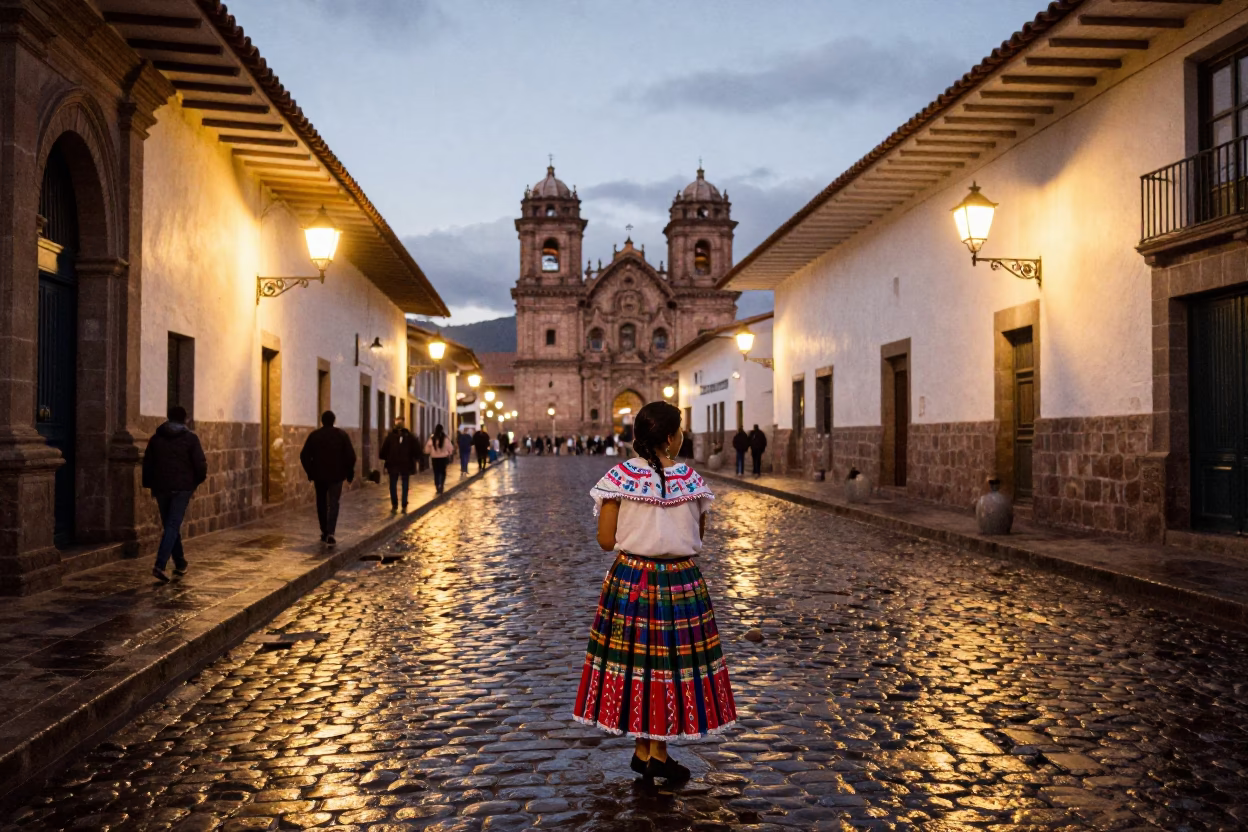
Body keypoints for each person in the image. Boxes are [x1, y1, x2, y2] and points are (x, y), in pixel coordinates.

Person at [574, 401, 736, 784]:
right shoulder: (693, 483)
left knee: (640, 664)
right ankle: (655, 754)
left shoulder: (618, 479)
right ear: (670, 437)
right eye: (679, 432)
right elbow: (698, 535)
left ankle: (646, 749)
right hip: (681, 583)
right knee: (670, 666)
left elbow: (605, 540)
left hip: (632, 580)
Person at [142, 405, 207, 582]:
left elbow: (148, 463)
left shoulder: (156, 439)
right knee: (172, 525)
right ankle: (160, 565)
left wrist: (149, 484)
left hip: (161, 487)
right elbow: (200, 465)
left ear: (168, 418)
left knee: (170, 525)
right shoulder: (190, 439)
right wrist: (193, 483)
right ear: (185, 419)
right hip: (182, 489)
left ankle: (180, 563)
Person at [299, 410, 356, 547]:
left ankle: (324, 530)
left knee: (321, 503)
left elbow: (304, 455)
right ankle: (331, 532)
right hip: (337, 476)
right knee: (334, 503)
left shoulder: (314, 436)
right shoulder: (342, 435)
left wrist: (310, 472)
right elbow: (351, 456)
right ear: (334, 421)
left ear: (321, 421)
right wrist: (349, 473)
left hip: (319, 476)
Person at [380, 415, 417, 512]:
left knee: (393, 484)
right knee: (404, 484)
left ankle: (395, 505)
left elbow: (384, 451)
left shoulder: (390, 436)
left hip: (393, 464)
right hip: (405, 464)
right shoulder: (409, 436)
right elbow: (415, 449)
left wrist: (385, 458)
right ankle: (404, 505)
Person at [424, 423, 453, 494]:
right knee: (443, 472)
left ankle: (437, 486)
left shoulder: (432, 438)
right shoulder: (445, 438)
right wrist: (449, 453)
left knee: (436, 472)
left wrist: (429, 452)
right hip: (443, 458)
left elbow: (427, 449)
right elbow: (450, 448)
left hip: (434, 458)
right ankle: (441, 485)